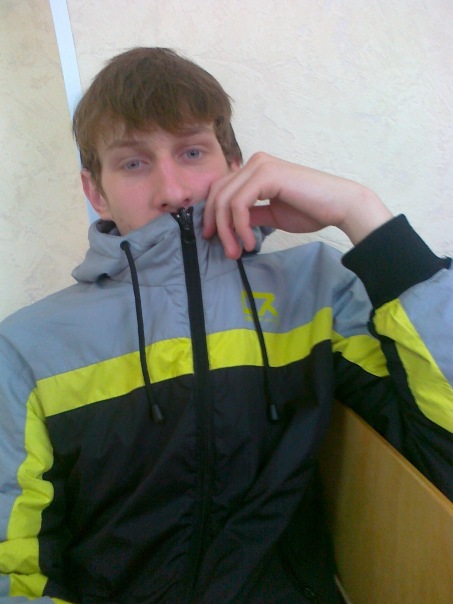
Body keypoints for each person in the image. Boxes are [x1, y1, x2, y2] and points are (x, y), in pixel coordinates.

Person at [0, 47, 452, 604]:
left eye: (192, 152)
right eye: (133, 163)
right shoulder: (26, 348)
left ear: (235, 166)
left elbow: (443, 446)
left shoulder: (318, 291)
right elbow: (13, 572)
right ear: (97, 193)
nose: (173, 191)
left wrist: (363, 216)